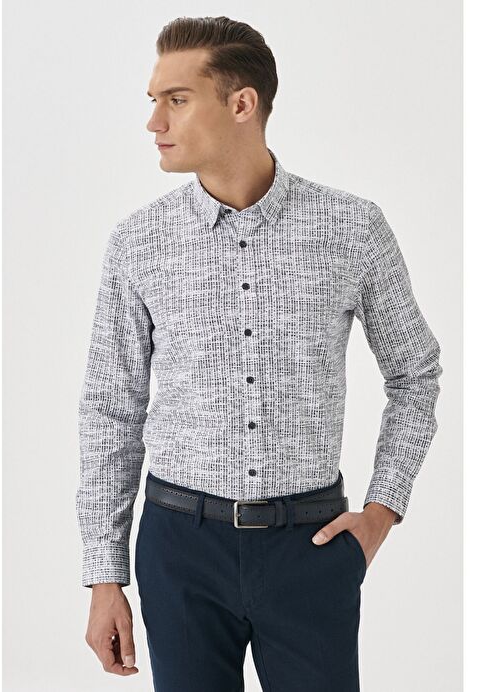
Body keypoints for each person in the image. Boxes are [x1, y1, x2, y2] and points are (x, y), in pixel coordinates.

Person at [75, 15, 442, 691]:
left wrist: (381, 512)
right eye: (153, 100)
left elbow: (415, 374)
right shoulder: (138, 243)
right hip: (178, 550)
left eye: (176, 99)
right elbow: (110, 409)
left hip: (311, 547)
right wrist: (105, 575)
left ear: (241, 103)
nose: (154, 121)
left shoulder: (352, 229)